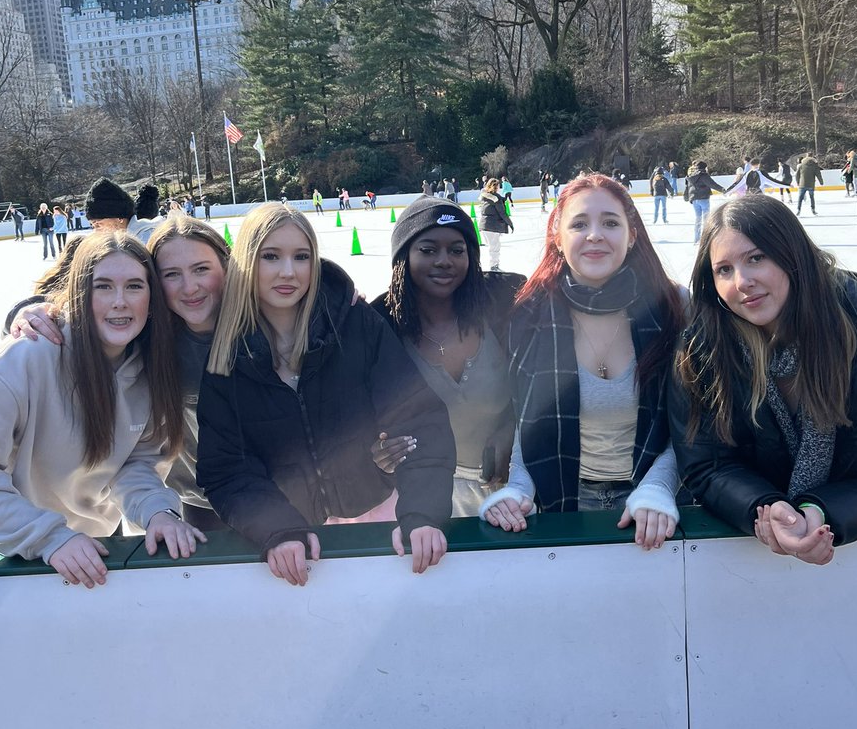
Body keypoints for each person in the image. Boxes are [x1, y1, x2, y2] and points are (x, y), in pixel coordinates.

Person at [196, 204, 454, 585]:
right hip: (293, 539)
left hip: (384, 516)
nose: (289, 271)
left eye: (301, 257)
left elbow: (417, 418)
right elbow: (228, 468)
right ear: (247, 262)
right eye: (271, 256)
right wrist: (277, 529)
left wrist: (422, 513)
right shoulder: (226, 357)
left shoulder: (355, 324)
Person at [671, 196, 857, 564]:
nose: (742, 282)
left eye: (756, 258)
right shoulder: (705, 348)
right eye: (724, 270)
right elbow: (707, 463)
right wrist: (764, 506)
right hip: (750, 565)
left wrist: (821, 513)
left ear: (793, 255)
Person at [483, 174, 685, 549]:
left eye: (610, 222)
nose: (595, 235)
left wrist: (657, 489)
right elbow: (527, 423)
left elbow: (692, 421)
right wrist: (517, 491)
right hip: (565, 497)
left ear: (632, 234)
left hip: (659, 503)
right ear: (558, 237)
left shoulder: (674, 309)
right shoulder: (529, 315)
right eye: (579, 224)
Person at [0, 233, 205, 586]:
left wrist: (159, 512)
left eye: (135, 287)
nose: (120, 302)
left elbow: (137, 464)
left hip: (96, 552)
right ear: (80, 293)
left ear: (152, 300)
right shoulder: (25, 360)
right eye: (103, 287)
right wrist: (49, 537)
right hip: (19, 553)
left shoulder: (152, 370)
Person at [371, 198, 525, 516]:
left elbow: (545, 385)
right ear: (403, 256)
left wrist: (514, 431)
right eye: (428, 250)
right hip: (426, 493)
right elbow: (356, 413)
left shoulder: (503, 302)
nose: (444, 261)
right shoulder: (378, 324)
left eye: (457, 250)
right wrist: (377, 450)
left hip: (510, 486)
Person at [84, 177, 156, 244]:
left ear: (120, 218)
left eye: (98, 225)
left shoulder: (146, 239)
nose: (96, 232)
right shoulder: (120, 241)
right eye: (92, 226)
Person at [682, 161, 727, 243]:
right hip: (703, 198)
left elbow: (688, 187)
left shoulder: (691, 175)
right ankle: (705, 239)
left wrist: (688, 197)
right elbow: (712, 184)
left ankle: (696, 238)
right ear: (704, 167)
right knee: (706, 219)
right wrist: (722, 189)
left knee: (698, 218)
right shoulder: (703, 175)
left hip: (694, 199)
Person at [478, 177, 514, 270]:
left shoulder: (484, 196)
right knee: (495, 247)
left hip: (483, 225)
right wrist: (510, 223)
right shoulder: (496, 198)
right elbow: (502, 212)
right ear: (496, 187)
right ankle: (494, 266)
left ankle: (491, 265)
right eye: (498, 186)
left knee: (491, 247)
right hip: (492, 226)